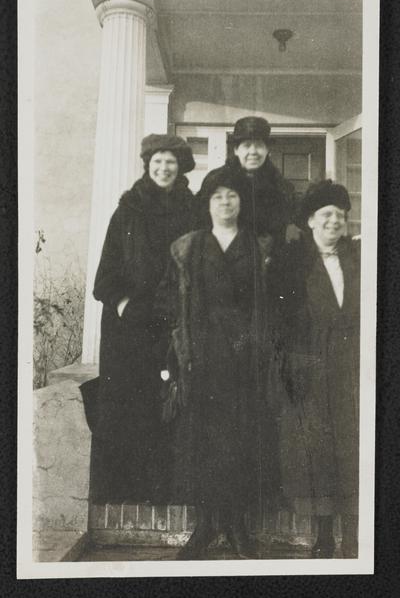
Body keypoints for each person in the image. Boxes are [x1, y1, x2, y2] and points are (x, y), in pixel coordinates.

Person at [154, 167, 279, 559]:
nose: (225, 202)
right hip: (201, 360)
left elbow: (271, 306)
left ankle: (238, 526)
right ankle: (206, 526)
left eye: (233, 196)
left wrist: (259, 348)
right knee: (202, 444)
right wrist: (179, 350)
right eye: (218, 196)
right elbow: (169, 303)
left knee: (242, 442)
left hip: (245, 361)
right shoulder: (188, 248)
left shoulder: (260, 248)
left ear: (242, 203)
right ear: (207, 203)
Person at [89, 134, 196, 503]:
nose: (164, 168)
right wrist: (123, 306)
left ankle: (169, 489)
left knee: (171, 403)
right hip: (130, 329)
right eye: (157, 162)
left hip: (175, 324)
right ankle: (128, 493)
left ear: (180, 166)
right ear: (147, 166)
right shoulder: (128, 211)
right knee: (132, 405)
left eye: (171, 162)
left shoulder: (194, 210)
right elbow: (106, 275)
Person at [276, 180, 360, 558]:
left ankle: (356, 537)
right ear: (310, 220)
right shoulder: (294, 264)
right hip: (313, 368)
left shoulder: (359, 259)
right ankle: (324, 537)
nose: (334, 222)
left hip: (355, 369)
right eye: (326, 215)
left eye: (340, 216)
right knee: (320, 453)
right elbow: (284, 322)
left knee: (355, 448)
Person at [197, 116, 295, 248]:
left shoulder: (281, 186)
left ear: (267, 150)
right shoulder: (216, 181)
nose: (253, 152)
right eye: (246, 146)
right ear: (236, 150)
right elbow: (201, 225)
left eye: (259, 145)